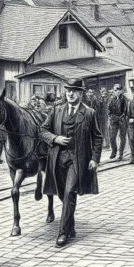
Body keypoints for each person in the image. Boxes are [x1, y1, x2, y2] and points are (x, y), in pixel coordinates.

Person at [39, 79, 102, 248]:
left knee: (69, 192)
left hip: (77, 160)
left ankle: (63, 233)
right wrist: (55, 138)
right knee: (62, 194)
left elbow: (97, 137)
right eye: (68, 91)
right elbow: (42, 130)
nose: (70, 94)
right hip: (57, 159)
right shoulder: (57, 110)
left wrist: (95, 159)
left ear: (80, 94)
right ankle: (71, 226)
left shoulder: (89, 113)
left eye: (74, 91)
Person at [106, 84, 127, 161]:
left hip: (122, 120)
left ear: (121, 91)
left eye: (118, 90)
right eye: (115, 90)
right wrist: (112, 117)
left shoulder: (124, 99)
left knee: (122, 137)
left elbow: (125, 110)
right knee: (112, 137)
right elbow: (108, 110)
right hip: (114, 120)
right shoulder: (111, 99)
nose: (117, 91)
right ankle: (114, 151)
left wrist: (121, 117)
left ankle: (120, 154)